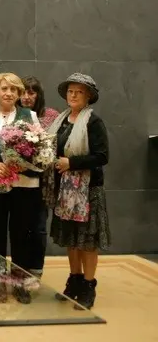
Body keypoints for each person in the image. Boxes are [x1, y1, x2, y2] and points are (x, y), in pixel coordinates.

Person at [0, 73, 45, 304]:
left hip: (25, 186)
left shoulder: (29, 115)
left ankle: (21, 282)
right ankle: (0, 283)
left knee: (22, 235)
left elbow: (41, 150)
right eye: (4, 89)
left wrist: (22, 162)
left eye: (14, 89)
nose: (9, 93)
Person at [45, 73, 110, 310]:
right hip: (66, 190)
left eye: (79, 92)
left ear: (89, 96)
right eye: (70, 91)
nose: (73, 95)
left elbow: (102, 157)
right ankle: (74, 281)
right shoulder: (61, 120)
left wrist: (71, 164)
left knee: (87, 241)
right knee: (71, 240)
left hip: (87, 191)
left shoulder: (93, 122)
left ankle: (89, 285)